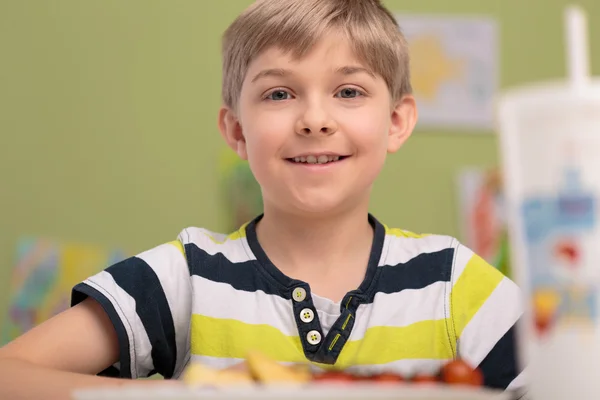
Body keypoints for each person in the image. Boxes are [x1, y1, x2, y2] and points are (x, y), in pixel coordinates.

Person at [0, 0, 525, 398]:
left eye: (348, 91)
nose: (315, 119)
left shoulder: (453, 280)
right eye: (279, 93)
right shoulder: (187, 275)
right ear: (236, 131)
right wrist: (181, 395)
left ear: (396, 121)